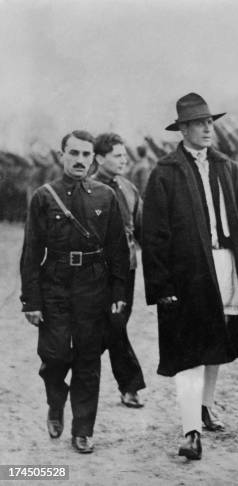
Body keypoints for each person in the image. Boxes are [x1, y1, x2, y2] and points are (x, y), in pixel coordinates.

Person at [142, 92, 238, 460]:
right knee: (189, 349)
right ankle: (190, 430)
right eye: (199, 123)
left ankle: (206, 407)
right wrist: (162, 286)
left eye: (210, 122)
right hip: (186, 273)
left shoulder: (226, 166)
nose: (208, 128)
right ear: (183, 129)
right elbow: (155, 234)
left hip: (227, 265)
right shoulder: (165, 173)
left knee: (215, 337)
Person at [20, 130, 129, 453]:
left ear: (93, 158)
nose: (81, 160)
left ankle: (83, 428)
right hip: (54, 281)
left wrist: (118, 291)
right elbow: (31, 252)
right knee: (54, 355)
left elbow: (118, 250)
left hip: (92, 284)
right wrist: (31, 300)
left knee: (87, 358)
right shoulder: (44, 196)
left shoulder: (104, 196)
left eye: (86, 154)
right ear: (62, 155)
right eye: (74, 153)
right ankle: (56, 402)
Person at [92, 133, 146, 407]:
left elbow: (142, 228)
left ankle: (69, 366)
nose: (124, 160)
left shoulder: (128, 187)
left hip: (127, 268)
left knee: (114, 324)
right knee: (114, 324)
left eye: (125, 155)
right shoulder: (85, 188)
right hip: (97, 271)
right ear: (100, 158)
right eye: (117, 155)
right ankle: (130, 385)